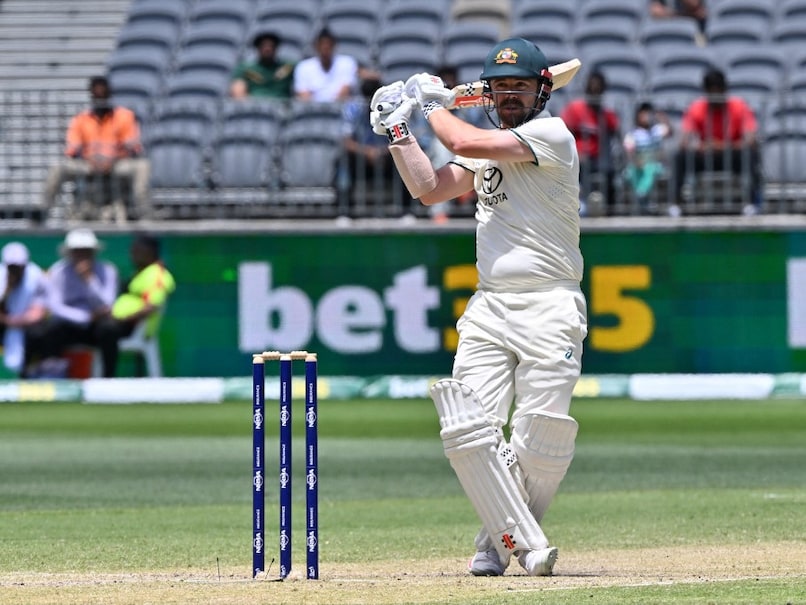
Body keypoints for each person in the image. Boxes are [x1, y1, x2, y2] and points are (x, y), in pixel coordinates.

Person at [369, 38, 587, 576]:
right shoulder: (485, 142)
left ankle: (497, 544)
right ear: (487, 92)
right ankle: (521, 544)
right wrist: (399, 131)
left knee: (539, 437)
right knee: (472, 432)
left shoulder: (550, 134)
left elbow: (463, 135)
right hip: (489, 306)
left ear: (542, 91)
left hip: (550, 304)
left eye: (520, 85)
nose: (509, 95)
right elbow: (429, 188)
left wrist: (433, 105)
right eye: (499, 86)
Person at [42, 75, 151, 221]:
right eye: (96, 93)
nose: (100, 97)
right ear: (91, 95)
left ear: (110, 94)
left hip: (117, 163)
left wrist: (112, 157)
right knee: (58, 168)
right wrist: (90, 158)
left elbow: (133, 146)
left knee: (143, 166)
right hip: (88, 163)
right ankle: (43, 210)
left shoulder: (125, 116)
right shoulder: (81, 119)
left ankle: (143, 213)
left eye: (103, 93)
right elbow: (72, 148)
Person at [23, 229, 119, 378]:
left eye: (86, 251)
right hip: (67, 326)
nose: (82, 256)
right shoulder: (58, 271)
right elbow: (55, 307)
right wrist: (85, 317)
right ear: (70, 253)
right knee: (46, 330)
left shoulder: (107, 270)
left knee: (109, 328)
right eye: (77, 251)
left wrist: (89, 280)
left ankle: (108, 379)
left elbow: (107, 304)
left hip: (95, 329)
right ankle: (51, 376)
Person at [672, 67, 762, 216]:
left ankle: (753, 203)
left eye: (718, 91)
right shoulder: (696, 108)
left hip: (732, 153)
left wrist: (723, 146)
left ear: (724, 90)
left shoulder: (739, 106)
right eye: (711, 92)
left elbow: (751, 140)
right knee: (679, 157)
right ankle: (676, 204)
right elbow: (683, 143)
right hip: (706, 155)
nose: (715, 97)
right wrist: (700, 146)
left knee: (751, 155)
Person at [560, 70, 622, 216]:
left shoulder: (606, 114)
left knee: (610, 173)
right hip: (577, 157)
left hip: (599, 159)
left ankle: (609, 211)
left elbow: (617, 132)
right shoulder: (575, 109)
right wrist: (575, 152)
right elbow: (562, 134)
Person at [340, 77, 404, 210]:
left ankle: (405, 210)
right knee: (343, 160)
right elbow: (346, 141)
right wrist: (367, 152)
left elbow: (402, 137)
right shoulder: (353, 109)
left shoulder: (393, 108)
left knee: (405, 157)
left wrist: (382, 151)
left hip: (387, 156)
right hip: (361, 157)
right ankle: (345, 211)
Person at [110, 233, 175, 347]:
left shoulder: (157, 275)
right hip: (122, 325)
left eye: (137, 250)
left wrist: (122, 319)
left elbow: (152, 306)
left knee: (104, 330)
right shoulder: (142, 273)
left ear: (150, 251)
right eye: (132, 250)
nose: (132, 254)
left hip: (134, 328)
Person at [0, 242, 48, 375]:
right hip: (4, 323)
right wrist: (8, 289)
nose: (15, 271)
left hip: (27, 324)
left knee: (38, 332)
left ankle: (31, 373)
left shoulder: (37, 276)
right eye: (12, 267)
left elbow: (38, 311)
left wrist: (12, 321)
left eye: (18, 267)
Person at [623, 101, 673, 214]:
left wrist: (662, 118)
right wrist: (636, 162)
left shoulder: (657, 130)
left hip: (655, 164)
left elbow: (670, 132)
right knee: (630, 171)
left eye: (648, 113)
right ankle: (640, 198)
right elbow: (629, 152)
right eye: (643, 113)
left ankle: (642, 194)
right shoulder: (632, 134)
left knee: (650, 169)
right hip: (638, 164)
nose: (646, 116)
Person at [292, 27, 359, 103]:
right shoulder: (303, 67)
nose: (325, 48)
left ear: (334, 46)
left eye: (328, 44)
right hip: (312, 111)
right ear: (316, 46)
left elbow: (345, 91)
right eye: (322, 44)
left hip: (341, 109)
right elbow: (304, 95)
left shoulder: (347, 63)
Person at [230, 31, 295, 100]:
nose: (267, 49)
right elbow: (238, 93)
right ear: (257, 48)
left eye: (271, 46)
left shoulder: (288, 67)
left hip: (283, 107)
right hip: (254, 106)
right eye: (263, 46)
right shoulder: (245, 68)